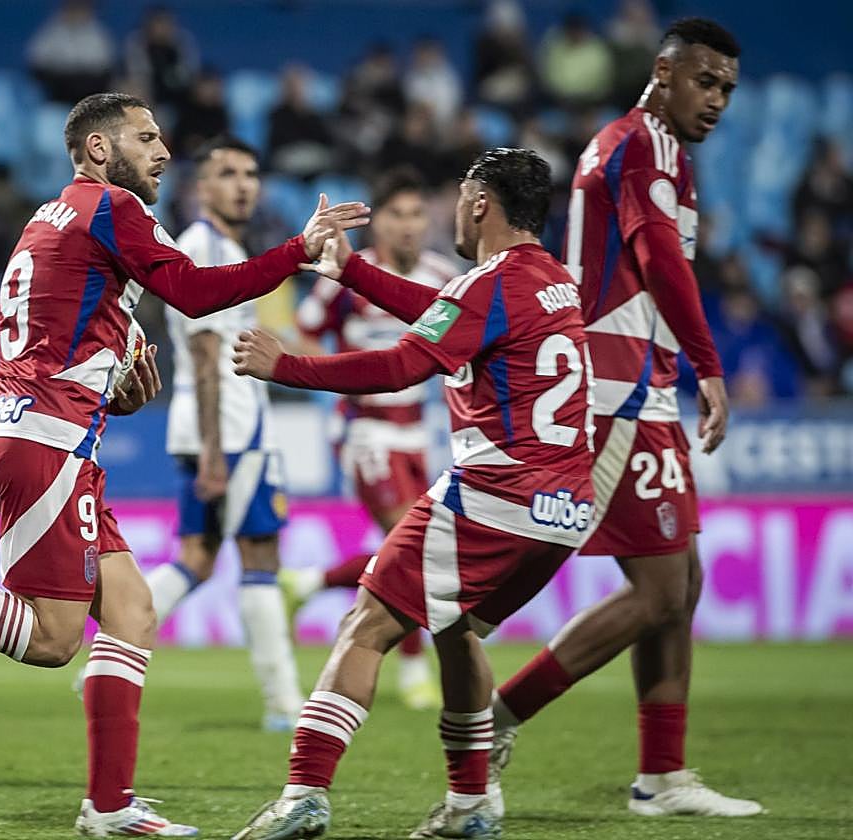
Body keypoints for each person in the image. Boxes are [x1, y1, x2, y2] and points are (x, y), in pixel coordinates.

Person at [0, 92, 369, 837]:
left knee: (132, 611)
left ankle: (109, 805)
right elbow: (192, 293)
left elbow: (62, 345)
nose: (163, 152)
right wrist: (298, 250)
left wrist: (117, 395)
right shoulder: (109, 208)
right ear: (99, 148)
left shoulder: (47, 218)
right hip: (45, 442)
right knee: (54, 639)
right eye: (146, 137)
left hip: (43, 436)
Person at [230, 148, 594, 840]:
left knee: (366, 624)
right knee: (455, 633)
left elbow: (403, 364)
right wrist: (354, 270)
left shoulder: (491, 282)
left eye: (457, 196)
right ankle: (470, 804)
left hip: (495, 495)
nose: (445, 211)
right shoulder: (554, 280)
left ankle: (304, 796)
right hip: (564, 512)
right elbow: (444, 313)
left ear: (480, 202)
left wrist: (288, 367)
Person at [488, 18, 763, 818]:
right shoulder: (639, 145)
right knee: (659, 588)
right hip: (616, 387)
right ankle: (494, 717)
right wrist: (710, 365)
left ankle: (664, 777)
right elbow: (658, 259)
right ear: (663, 72)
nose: (716, 102)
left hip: (643, 381)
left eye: (727, 91)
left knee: (683, 580)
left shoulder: (659, 149)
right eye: (705, 83)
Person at [141, 136, 304, 731]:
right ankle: (285, 702)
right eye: (228, 173)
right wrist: (214, 449)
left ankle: (108, 659)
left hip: (209, 425)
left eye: (251, 173)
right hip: (231, 429)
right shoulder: (206, 248)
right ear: (201, 188)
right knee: (260, 556)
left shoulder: (217, 246)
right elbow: (208, 357)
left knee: (196, 558)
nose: (243, 184)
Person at [287, 167, 458, 711]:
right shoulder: (347, 278)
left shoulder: (441, 275)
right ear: (377, 222)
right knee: (410, 542)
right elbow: (303, 330)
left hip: (418, 433)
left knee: (405, 548)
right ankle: (412, 670)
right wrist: (333, 372)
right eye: (395, 215)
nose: (408, 226)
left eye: (415, 214)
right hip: (363, 431)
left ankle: (313, 581)